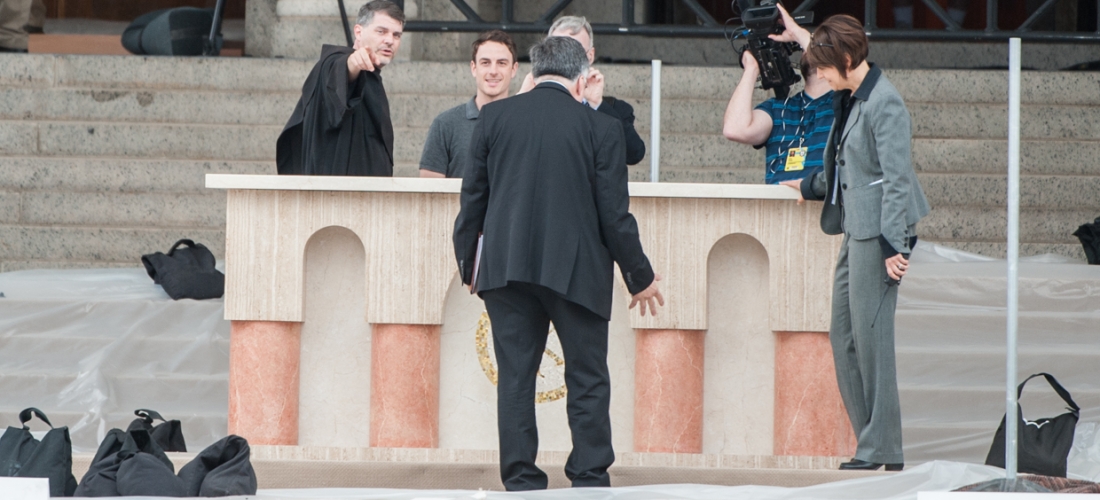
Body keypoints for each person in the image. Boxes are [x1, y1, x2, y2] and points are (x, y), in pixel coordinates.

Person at [453, 36, 664, 491]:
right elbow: (614, 214)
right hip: (577, 270)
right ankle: (588, 476)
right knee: (587, 377)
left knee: (515, 377)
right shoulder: (602, 129)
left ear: (532, 71)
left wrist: (469, 263)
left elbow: (472, 199)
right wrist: (639, 277)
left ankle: (521, 479)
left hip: (506, 270)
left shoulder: (494, 117)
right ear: (582, 78)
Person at [774, 7, 930, 471]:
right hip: (855, 227)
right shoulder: (853, 94)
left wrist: (895, 247)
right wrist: (808, 186)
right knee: (844, 337)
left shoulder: (885, 102)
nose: (818, 76)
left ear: (844, 60)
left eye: (823, 68)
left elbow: (897, 180)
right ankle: (873, 442)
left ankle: (882, 449)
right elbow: (849, 167)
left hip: (878, 234)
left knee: (872, 342)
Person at [276, 0, 403, 176]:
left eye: (397, 35)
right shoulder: (333, 63)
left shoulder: (373, 78)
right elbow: (339, 76)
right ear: (358, 32)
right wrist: (353, 64)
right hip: (338, 196)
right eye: (381, 31)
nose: (389, 40)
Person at [518, 16, 646, 166]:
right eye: (557, 51)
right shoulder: (531, 103)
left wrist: (597, 104)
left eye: (574, 52)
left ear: (590, 56)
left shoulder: (613, 109)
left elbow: (634, 154)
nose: (565, 60)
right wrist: (521, 100)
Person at [722, 51, 834, 185]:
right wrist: (751, 69)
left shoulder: (847, 104)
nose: (811, 48)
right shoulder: (777, 107)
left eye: (816, 43)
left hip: (824, 203)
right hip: (777, 204)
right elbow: (734, 129)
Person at [419, 30, 518, 179]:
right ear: (473, 68)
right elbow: (430, 188)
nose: (493, 71)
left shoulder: (526, 124)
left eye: (501, 63)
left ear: (513, 69)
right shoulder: (445, 124)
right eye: (485, 63)